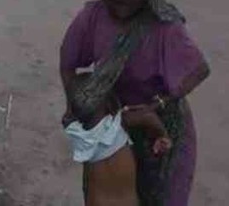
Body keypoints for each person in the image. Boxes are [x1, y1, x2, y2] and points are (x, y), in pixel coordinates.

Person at [60, 0, 210, 205]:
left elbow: (198, 69)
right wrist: (75, 108)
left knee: (161, 197)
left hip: (160, 119)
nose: (114, 5)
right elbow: (68, 65)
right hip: (110, 118)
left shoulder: (165, 27)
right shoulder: (92, 17)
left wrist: (158, 104)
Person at [64, 73, 174, 206]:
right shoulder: (119, 123)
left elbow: (67, 118)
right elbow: (148, 116)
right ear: (108, 101)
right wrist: (162, 135)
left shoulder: (76, 133)